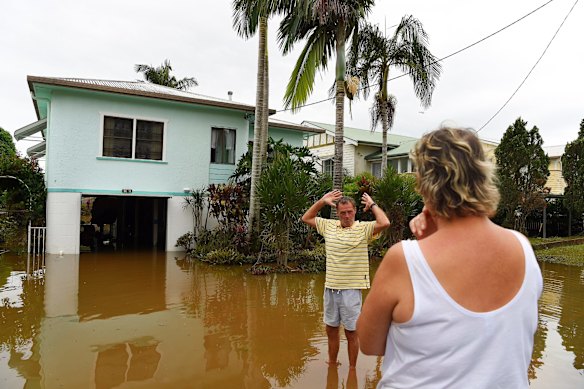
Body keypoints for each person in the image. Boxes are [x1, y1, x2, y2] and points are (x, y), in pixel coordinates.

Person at [357, 126, 543, 388]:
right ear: (483, 176)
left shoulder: (404, 260)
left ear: (424, 183)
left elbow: (369, 343)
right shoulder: (523, 248)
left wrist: (426, 242)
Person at [302, 190, 390, 369]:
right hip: (330, 288)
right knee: (331, 330)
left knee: (352, 332)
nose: (347, 216)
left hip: (351, 290)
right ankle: (332, 364)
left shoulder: (363, 229)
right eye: (343, 213)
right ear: (338, 214)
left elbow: (385, 222)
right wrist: (322, 201)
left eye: (350, 211)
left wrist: (372, 205)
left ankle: (352, 370)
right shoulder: (329, 226)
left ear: (355, 211)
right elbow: (306, 218)